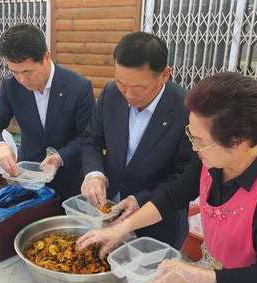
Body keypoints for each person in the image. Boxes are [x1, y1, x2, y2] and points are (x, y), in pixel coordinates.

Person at [78, 72, 257, 283]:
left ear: (238, 142)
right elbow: (173, 196)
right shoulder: (210, 158)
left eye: (199, 141)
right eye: (191, 135)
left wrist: (195, 276)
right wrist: (122, 227)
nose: (194, 147)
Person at [81, 32, 194, 249]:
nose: (128, 95)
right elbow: (92, 139)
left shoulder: (186, 110)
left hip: (158, 224)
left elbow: (185, 177)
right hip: (109, 211)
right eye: (122, 83)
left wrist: (140, 200)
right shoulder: (111, 93)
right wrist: (94, 175)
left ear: (164, 75)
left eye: (139, 87)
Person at [0, 24, 95, 201]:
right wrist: (0, 147)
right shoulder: (11, 85)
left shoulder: (78, 87)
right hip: (27, 180)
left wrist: (59, 157)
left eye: (27, 71)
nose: (22, 79)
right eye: (14, 71)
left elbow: (87, 137)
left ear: (46, 57)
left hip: (68, 180)